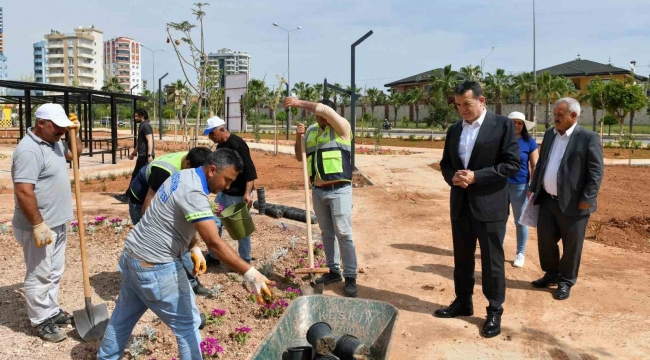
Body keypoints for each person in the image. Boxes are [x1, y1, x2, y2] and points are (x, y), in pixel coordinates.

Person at [97, 149, 273, 360]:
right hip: (155, 266)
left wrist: (192, 247)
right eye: (226, 180)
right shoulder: (194, 191)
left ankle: (105, 357)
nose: (226, 186)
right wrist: (250, 273)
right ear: (212, 170)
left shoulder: (184, 175)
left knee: (121, 320)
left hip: (133, 256)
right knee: (188, 324)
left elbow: (178, 216)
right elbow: (215, 244)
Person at [436, 81, 520, 338]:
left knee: (492, 261)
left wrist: (476, 177)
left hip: (490, 204)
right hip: (460, 204)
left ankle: (494, 310)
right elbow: (445, 163)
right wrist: (453, 177)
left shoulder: (503, 125)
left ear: (482, 101)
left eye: (467, 104)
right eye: (458, 105)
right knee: (462, 256)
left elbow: (512, 164)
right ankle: (463, 301)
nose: (462, 110)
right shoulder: (454, 129)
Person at [12, 103, 80, 342]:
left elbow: (76, 154)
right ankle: (40, 320)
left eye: (64, 129)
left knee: (54, 270)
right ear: (42, 123)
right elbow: (23, 191)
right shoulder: (29, 150)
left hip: (57, 221)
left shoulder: (55, 142)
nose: (62, 133)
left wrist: (74, 133)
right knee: (40, 273)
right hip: (38, 225)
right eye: (58, 129)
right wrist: (39, 224)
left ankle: (50, 310)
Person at [283, 96, 359, 298]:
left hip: (339, 189)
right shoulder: (311, 131)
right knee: (327, 233)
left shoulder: (342, 128)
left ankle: (350, 276)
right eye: (318, 117)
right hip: (318, 190)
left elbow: (326, 111)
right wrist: (297, 139)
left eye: (323, 116)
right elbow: (300, 157)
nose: (320, 119)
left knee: (344, 233)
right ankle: (333, 271)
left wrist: (298, 103)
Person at [529, 97, 604, 300]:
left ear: (573, 116)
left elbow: (596, 172)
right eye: (554, 114)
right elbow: (542, 164)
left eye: (560, 115)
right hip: (547, 200)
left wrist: (588, 197)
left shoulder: (588, 137)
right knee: (545, 242)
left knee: (572, 245)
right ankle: (551, 273)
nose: (555, 118)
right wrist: (533, 187)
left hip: (575, 203)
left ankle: (566, 281)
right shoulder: (550, 135)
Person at [127, 147, 214, 297]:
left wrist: (195, 247)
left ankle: (191, 283)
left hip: (165, 201)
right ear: (187, 163)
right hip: (140, 202)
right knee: (153, 246)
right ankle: (148, 283)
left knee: (181, 242)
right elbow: (147, 209)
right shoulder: (164, 171)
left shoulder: (191, 164)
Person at [203, 116, 257, 265]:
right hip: (223, 193)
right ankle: (214, 256)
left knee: (240, 229)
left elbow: (250, 171)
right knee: (214, 222)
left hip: (238, 194)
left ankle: (244, 259)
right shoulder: (220, 148)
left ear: (221, 130)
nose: (210, 138)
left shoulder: (238, 145)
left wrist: (247, 193)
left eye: (212, 134)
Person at [506, 111, 539, 268]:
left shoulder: (529, 142)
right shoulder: (501, 140)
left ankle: (520, 253)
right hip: (499, 185)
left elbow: (535, 165)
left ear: (524, 125)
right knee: (499, 219)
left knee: (520, 221)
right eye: (513, 122)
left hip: (520, 185)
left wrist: (533, 186)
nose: (516, 125)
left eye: (519, 123)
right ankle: (496, 249)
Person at [115, 108, 154, 203]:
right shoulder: (143, 125)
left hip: (144, 156)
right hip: (142, 155)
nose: (135, 118)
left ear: (142, 116)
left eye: (137, 116)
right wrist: (133, 153)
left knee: (137, 175)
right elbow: (140, 143)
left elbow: (150, 140)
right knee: (141, 176)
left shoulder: (145, 126)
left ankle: (129, 196)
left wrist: (149, 155)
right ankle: (137, 196)